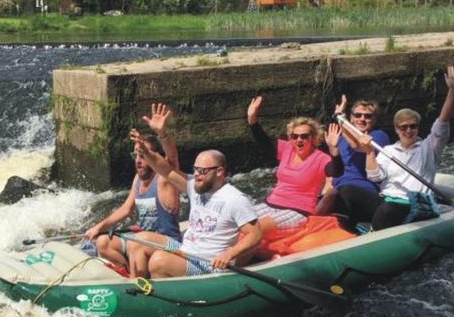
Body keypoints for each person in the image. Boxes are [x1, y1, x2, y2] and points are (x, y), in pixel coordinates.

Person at [336, 65, 454, 230]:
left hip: (414, 203)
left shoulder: (429, 147)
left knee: (387, 210)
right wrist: (369, 152)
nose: (408, 131)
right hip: (388, 199)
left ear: (418, 127)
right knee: (346, 191)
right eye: (403, 127)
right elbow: (375, 177)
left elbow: (442, 121)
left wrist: (452, 91)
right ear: (397, 130)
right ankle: (346, 231)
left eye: (413, 126)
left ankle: (374, 238)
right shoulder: (387, 151)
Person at [127, 133, 262, 278]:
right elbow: (166, 170)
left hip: (208, 263)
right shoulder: (195, 187)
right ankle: (137, 285)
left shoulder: (235, 199)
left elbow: (255, 234)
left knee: (159, 261)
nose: (197, 174)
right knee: (137, 241)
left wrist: (229, 254)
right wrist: (146, 151)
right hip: (186, 250)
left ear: (219, 171)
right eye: (195, 169)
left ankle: (160, 296)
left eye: (203, 171)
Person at [81, 103, 181, 275]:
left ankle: (137, 281)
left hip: (168, 242)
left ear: (155, 157)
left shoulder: (165, 180)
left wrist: (162, 133)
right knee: (102, 242)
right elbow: (126, 209)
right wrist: (99, 227)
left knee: (137, 241)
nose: (138, 160)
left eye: (143, 154)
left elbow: (172, 158)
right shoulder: (137, 179)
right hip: (142, 242)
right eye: (136, 154)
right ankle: (129, 272)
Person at [246, 96, 342, 237]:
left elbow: (337, 171)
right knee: (234, 222)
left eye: (304, 136)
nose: (299, 140)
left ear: (313, 138)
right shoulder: (287, 149)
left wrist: (334, 152)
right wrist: (252, 119)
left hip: (297, 211)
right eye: (294, 136)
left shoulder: (321, 158)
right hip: (270, 204)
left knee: (254, 230)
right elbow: (264, 142)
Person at [314, 95, 390, 216]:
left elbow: (356, 145)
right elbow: (332, 174)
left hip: (365, 192)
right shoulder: (338, 139)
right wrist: (333, 150)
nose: (362, 119)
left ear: (374, 120)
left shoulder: (378, 136)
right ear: (352, 117)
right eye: (357, 115)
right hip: (338, 193)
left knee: (342, 191)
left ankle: (313, 223)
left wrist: (340, 119)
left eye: (368, 116)